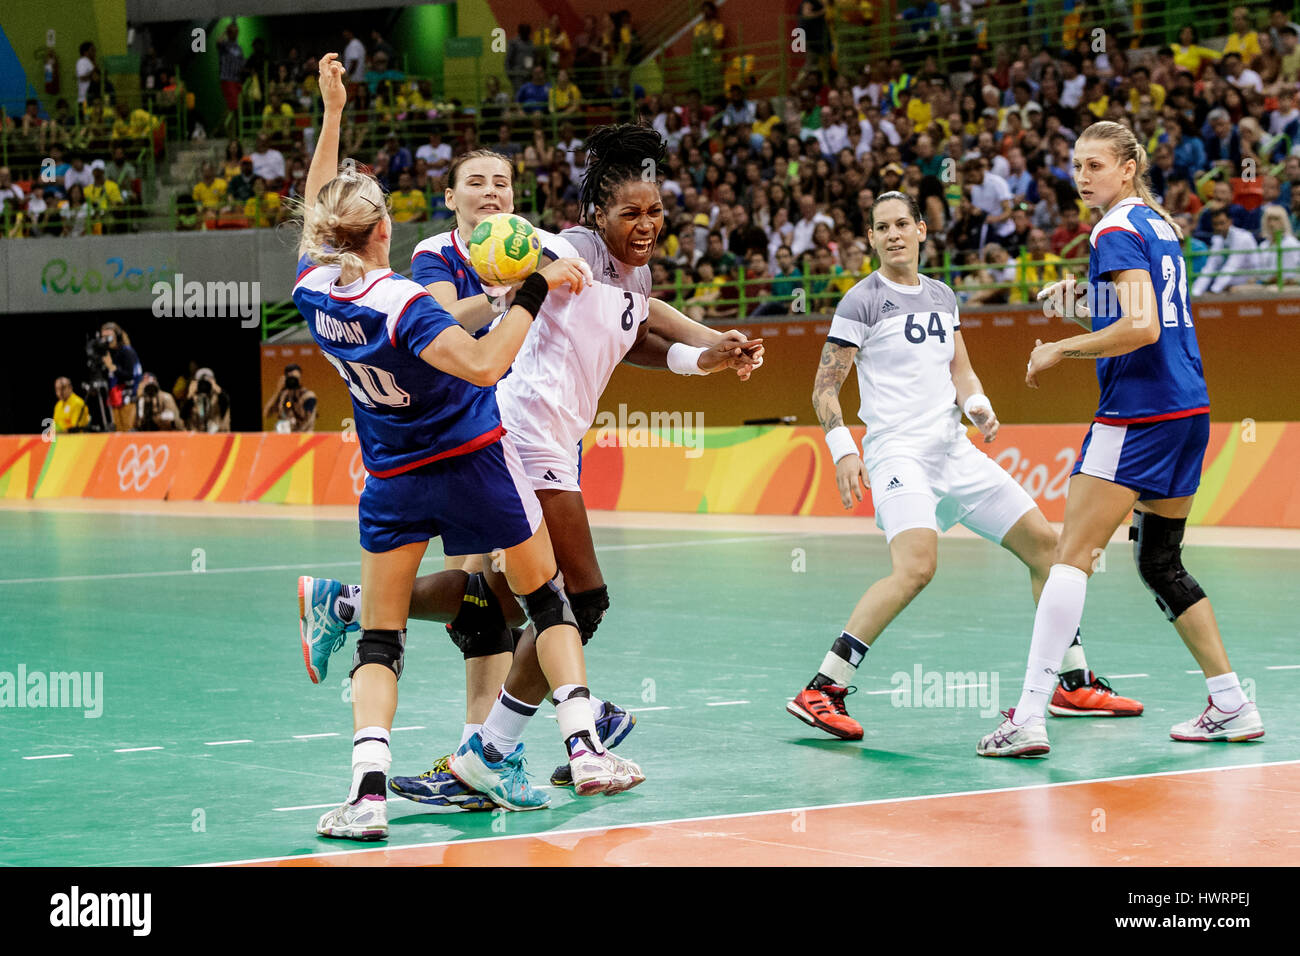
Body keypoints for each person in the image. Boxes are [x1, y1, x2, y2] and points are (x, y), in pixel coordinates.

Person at [303, 126, 761, 806]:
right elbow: (479, 278)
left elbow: (637, 327)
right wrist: (500, 259)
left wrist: (707, 351)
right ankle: (534, 743)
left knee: (497, 606)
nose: (646, 224)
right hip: (521, 435)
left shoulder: (632, 273)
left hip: (553, 444)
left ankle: (361, 619)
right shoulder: (561, 248)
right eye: (631, 213)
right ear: (596, 214)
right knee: (579, 598)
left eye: (655, 212)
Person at [295, 53, 631, 841]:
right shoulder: (406, 299)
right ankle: (582, 750)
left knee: (384, 637)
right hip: (476, 461)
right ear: (387, 230)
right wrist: (538, 288)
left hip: (394, 479)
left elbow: (317, 208)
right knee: (548, 600)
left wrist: (332, 114)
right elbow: (483, 362)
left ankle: (369, 796)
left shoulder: (315, 292)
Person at [788, 190, 1141, 745]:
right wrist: (844, 449)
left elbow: (963, 372)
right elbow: (824, 387)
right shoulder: (860, 301)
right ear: (873, 240)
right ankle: (822, 689)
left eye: (903, 223)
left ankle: (1072, 683)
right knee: (916, 569)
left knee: (1047, 549)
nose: (894, 234)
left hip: (953, 448)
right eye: (883, 228)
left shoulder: (943, 296)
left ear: (922, 230)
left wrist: (977, 406)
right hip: (898, 453)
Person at [980, 121, 1264, 757]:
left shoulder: (1113, 231)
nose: (1083, 178)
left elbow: (1140, 327)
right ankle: (1231, 703)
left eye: (1096, 166)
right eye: (1077, 166)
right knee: (1159, 562)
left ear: (1129, 167)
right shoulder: (1159, 226)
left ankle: (1028, 716)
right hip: (1187, 410)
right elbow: (1147, 314)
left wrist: (1060, 346)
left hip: (1136, 415)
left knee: (1068, 556)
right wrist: (1079, 306)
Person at [262, 363, 317, 432]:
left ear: (300, 378)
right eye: (290, 378)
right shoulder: (283, 395)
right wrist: (278, 390)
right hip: (284, 436)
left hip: (302, 437)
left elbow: (307, 420)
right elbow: (267, 413)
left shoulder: (308, 396)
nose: (293, 381)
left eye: (295, 378)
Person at [182, 368, 231, 432]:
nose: (204, 386)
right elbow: (182, 415)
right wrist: (190, 394)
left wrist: (216, 387)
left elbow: (226, 401)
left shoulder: (217, 398)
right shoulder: (193, 399)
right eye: (201, 383)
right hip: (197, 436)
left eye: (207, 383)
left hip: (216, 435)